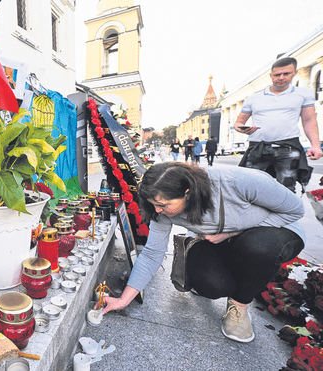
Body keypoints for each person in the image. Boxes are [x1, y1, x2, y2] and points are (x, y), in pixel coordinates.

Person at [99, 162, 305, 343]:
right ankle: (229, 270)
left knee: (256, 246)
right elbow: (152, 253)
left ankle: (240, 307)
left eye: (163, 205)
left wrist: (231, 233)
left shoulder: (237, 182)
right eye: (154, 205)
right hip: (217, 240)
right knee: (211, 286)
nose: (158, 210)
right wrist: (122, 300)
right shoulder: (159, 208)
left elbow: (296, 210)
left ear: (187, 193)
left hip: (275, 231)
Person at [234, 57, 322, 193]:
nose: (281, 78)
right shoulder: (253, 98)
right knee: (249, 187)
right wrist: (242, 128)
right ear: (271, 76)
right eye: (277, 75)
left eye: (286, 73)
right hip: (258, 148)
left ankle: (284, 213)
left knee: (287, 189)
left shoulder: (303, 94)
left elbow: (309, 120)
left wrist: (315, 145)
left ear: (295, 73)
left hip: (287, 148)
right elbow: (239, 122)